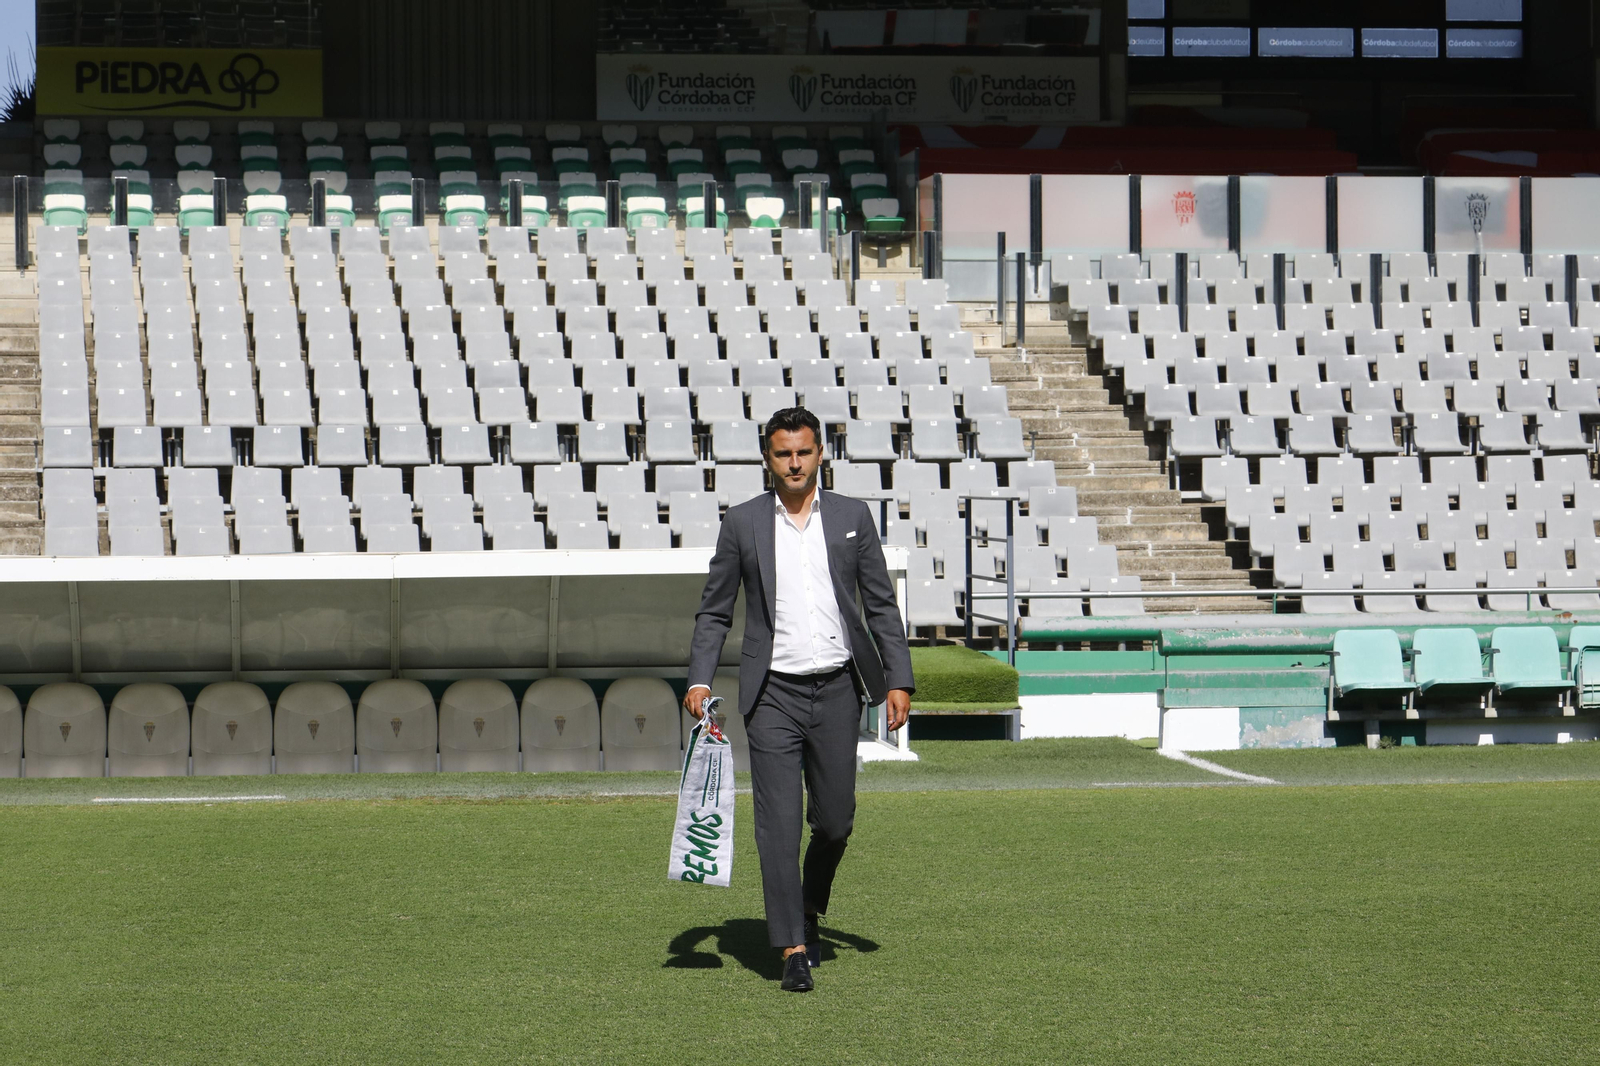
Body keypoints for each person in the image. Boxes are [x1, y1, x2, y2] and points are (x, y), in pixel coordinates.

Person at [684, 406, 914, 993]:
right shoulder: (741, 524)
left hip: (838, 691)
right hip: (772, 697)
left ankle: (810, 907)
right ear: (768, 457)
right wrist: (700, 680)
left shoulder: (853, 518)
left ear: (820, 456)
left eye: (803, 452)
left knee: (835, 823)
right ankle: (790, 947)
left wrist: (898, 679)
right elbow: (714, 609)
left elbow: (881, 606)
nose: (793, 462)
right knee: (777, 827)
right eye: (783, 453)